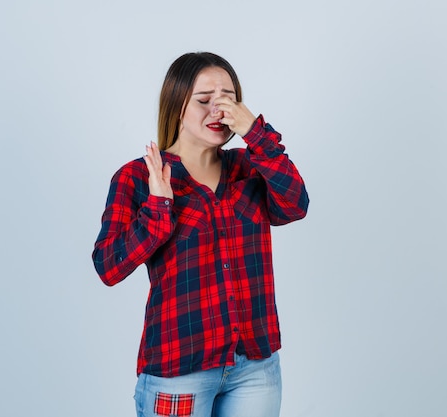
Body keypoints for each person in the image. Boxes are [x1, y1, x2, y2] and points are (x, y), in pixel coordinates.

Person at [92, 52, 309, 417]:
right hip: (179, 371)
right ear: (177, 105)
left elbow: (295, 204)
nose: (218, 112)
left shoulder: (249, 167)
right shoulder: (138, 177)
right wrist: (159, 208)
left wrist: (256, 133)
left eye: (227, 101)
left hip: (255, 367)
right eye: (205, 101)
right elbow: (108, 267)